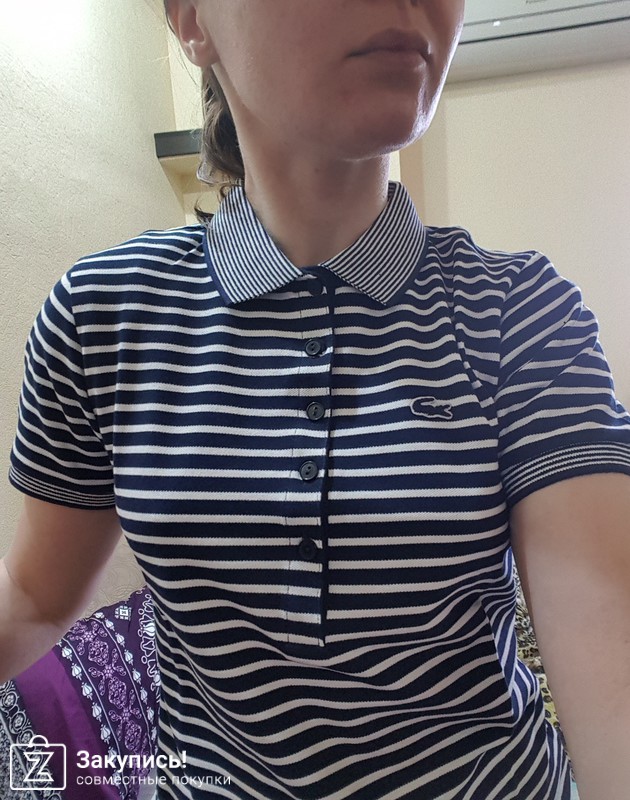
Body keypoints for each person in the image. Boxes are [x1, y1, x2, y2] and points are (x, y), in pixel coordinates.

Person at [1, 1, 629, 798]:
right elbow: (34, 594)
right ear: (192, 19)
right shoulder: (103, 316)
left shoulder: (522, 309)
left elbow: (611, 636)